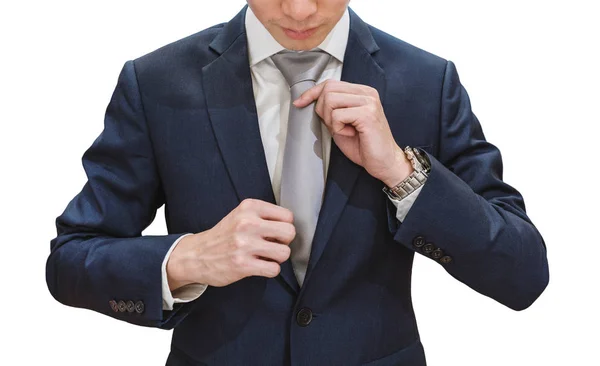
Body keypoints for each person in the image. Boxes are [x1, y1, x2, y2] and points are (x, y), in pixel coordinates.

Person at [45, 1, 549, 365]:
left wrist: (401, 172)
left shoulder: (426, 82)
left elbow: (523, 273)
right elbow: (69, 261)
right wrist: (189, 258)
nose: (300, 9)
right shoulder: (156, 82)